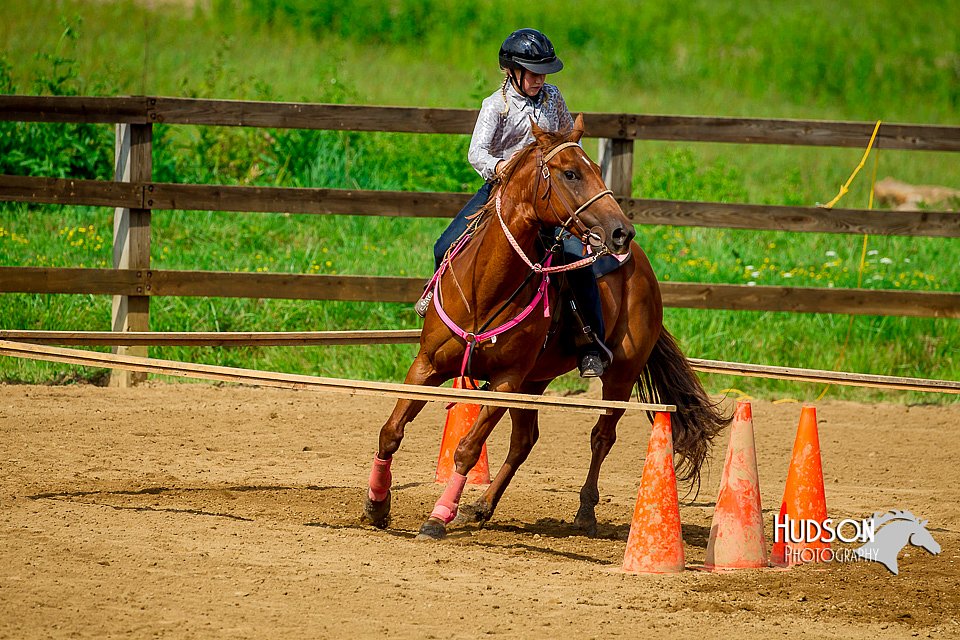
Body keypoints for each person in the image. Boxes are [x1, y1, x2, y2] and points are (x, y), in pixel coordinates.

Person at [415, 28, 611, 378]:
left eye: (544, 72)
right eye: (533, 72)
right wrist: (501, 167)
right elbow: (477, 152)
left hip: (546, 195)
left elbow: (566, 139)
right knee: (445, 243)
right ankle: (437, 303)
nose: (540, 79)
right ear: (512, 71)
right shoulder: (496, 105)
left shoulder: (554, 98)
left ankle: (591, 342)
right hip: (500, 190)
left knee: (579, 261)